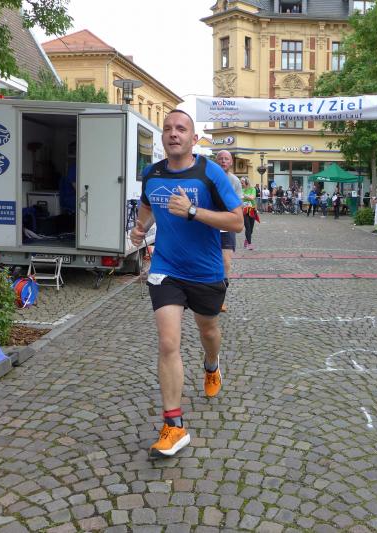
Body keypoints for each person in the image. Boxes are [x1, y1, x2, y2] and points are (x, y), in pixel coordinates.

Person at [130, 110, 243, 458]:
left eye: (181, 129)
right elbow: (147, 207)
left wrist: (193, 211)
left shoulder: (210, 173)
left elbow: (237, 222)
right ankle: (174, 425)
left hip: (206, 271)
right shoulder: (152, 174)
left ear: (194, 139)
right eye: (167, 128)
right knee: (168, 342)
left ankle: (211, 365)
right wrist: (140, 229)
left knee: (208, 330)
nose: (173, 133)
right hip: (166, 268)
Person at [215, 150, 243, 312]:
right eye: (220, 158)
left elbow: (238, 203)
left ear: (231, 162)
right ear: (216, 161)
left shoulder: (234, 181)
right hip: (208, 226)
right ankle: (205, 297)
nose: (223, 161)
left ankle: (220, 300)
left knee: (225, 263)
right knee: (208, 262)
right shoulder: (208, 178)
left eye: (226, 159)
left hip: (226, 226)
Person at [241, 177, 259, 248]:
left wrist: (244, 195)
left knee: (251, 229)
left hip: (252, 210)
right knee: (247, 227)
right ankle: (249, 244)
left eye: (242, 183)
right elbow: (240, 198)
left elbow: (252, 197)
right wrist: (247, 196)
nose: (241, 184)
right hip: (244, 210)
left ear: (246, 182)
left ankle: (247, 239)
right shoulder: (241, 190)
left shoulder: (252, 189)